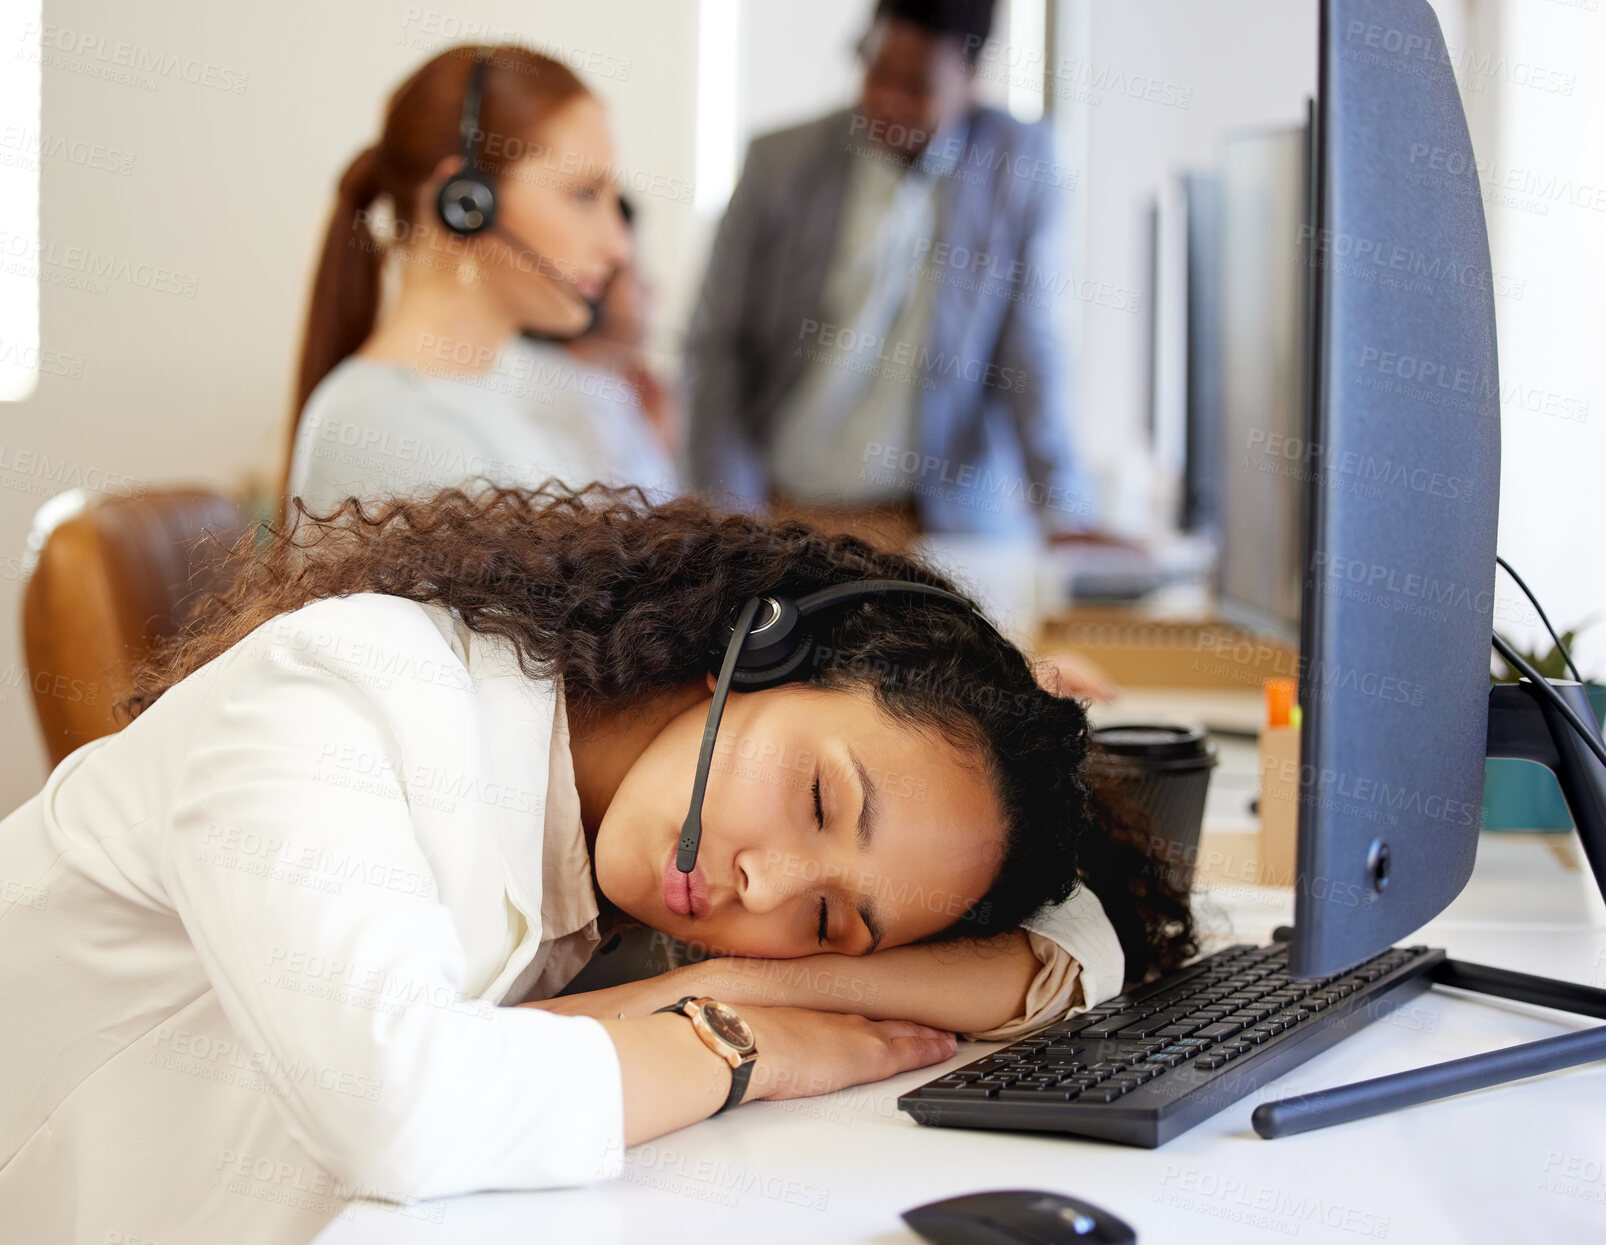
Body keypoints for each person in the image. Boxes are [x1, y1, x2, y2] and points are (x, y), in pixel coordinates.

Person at [0, 485, 1192, 1242]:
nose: (765, 890)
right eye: (820, 795)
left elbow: (1069, 950)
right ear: (757, 645)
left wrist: (733, 988)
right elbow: (399, 1109)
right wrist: (735, 1043)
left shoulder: (596, 836)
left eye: (837, 923)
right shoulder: (348, 693)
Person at [684, 0, 1093, 548]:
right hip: (784, 518)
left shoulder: (1020, 166)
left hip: (938, 529)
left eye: (917, 87)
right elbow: (716, 346)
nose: (886, 101)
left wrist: (1065, 512)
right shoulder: (779, 162)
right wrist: (726, 518)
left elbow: (1030, 352)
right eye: (876, 72)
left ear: (970, 81)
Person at [284, 44, 673, 520]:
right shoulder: (384, 424)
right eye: (584, 195)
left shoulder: (502, 401)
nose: (619, 246)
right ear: (466, 203)